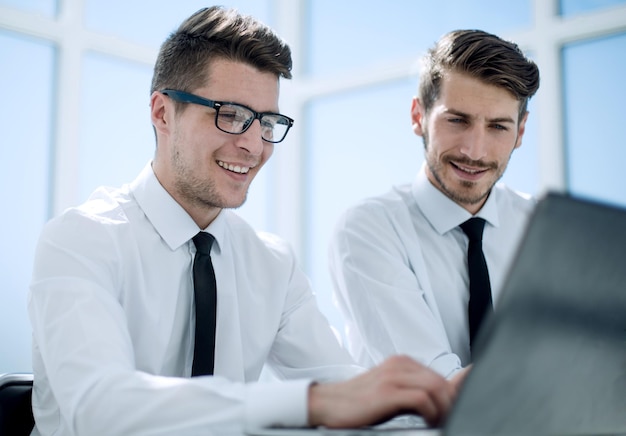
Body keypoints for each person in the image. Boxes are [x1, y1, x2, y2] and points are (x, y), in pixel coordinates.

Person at [27, 7, 460, 436]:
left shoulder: (272, 264)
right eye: (231, 115)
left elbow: (347, 392)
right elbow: (99, 408)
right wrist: (311, 404)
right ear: (162, 113)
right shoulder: (81, 239)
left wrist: (443, 400)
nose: (254, 146)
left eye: (267, 121)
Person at [329, 29, 540, 380]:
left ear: (520, 132)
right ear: (418, 116)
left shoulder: (541, 227)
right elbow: (434, 384)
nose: (475, 150)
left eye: (498, 127)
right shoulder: (368, 230)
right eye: (457, 120)